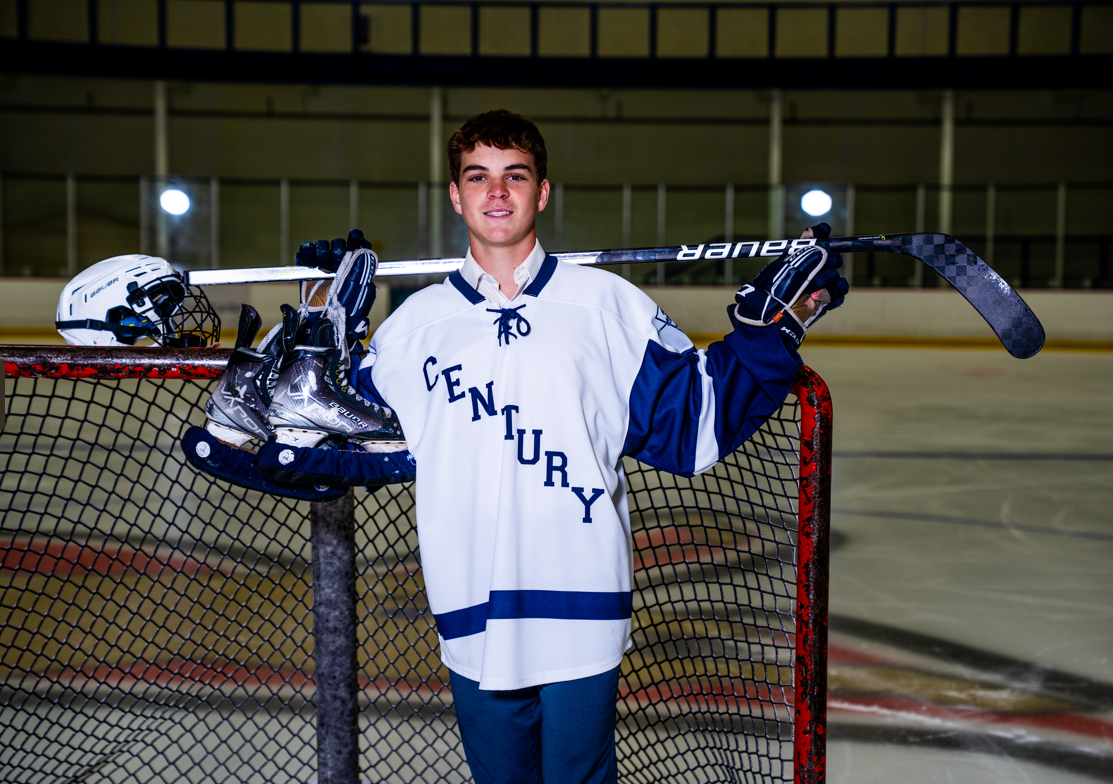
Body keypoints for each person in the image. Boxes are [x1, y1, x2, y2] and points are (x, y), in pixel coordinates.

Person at [251, 109, 847, 783]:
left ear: (542, 192)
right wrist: (318, 318)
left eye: (514, 176)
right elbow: (309, 434)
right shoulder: (411, 328)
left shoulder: (607, 306)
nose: (496, 193)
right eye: (478, 177)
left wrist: (773, 328)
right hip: (469, 604)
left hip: (583, 601)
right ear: (455, 195)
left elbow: (691, 424)